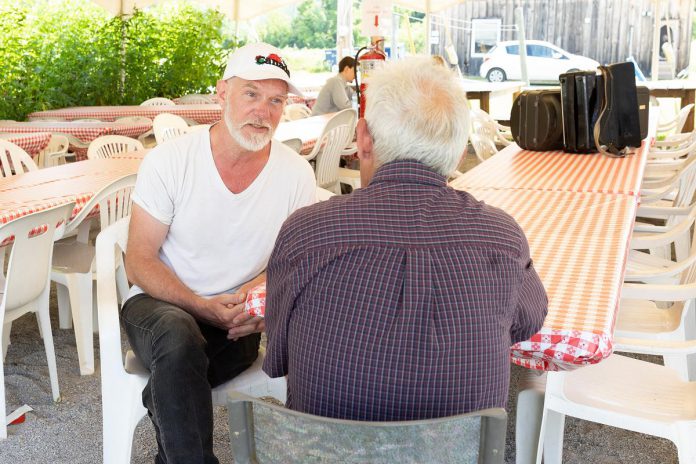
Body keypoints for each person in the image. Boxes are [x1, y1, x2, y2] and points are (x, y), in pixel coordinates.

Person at [263, 56, 548, 422]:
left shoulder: (306, 232)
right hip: (457, 453)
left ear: (363, 139)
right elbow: (527, 321)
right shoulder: (501, 237)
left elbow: (280, 346)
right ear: (460, 152)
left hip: (326, 452)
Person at [121, 42, 316, 463]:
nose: (263, 112)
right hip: (159, 305)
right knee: (178, 336)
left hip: (237, 320)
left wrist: (259, 301)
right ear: (222, 92)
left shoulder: (296, 173)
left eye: (276, 100)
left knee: (174, 372)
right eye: (251, 94)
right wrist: (199, 305)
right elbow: (138, 259)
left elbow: (297, 262)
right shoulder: (171, 161)